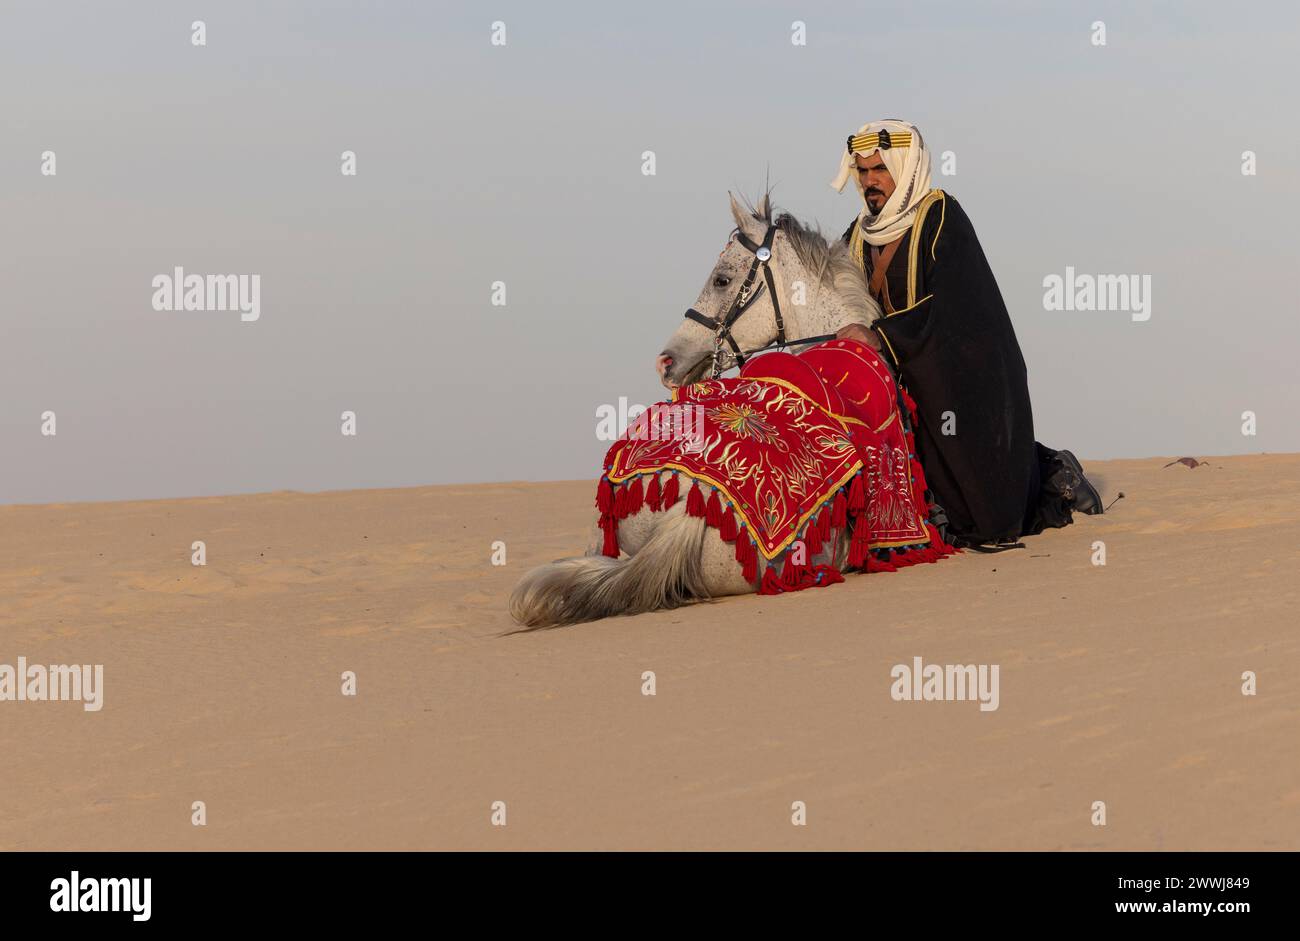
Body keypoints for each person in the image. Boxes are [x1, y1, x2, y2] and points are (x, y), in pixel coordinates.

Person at [829, 119, 1102, 549]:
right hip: (898, 378)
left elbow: (955, 311)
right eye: (862, 172)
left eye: (879, 169)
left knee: (984, 518)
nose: (869, 181)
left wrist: (881, 336)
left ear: (904, 167)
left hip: (963, 376)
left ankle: (1050, 471)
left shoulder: (940, 216)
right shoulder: (857, 237)